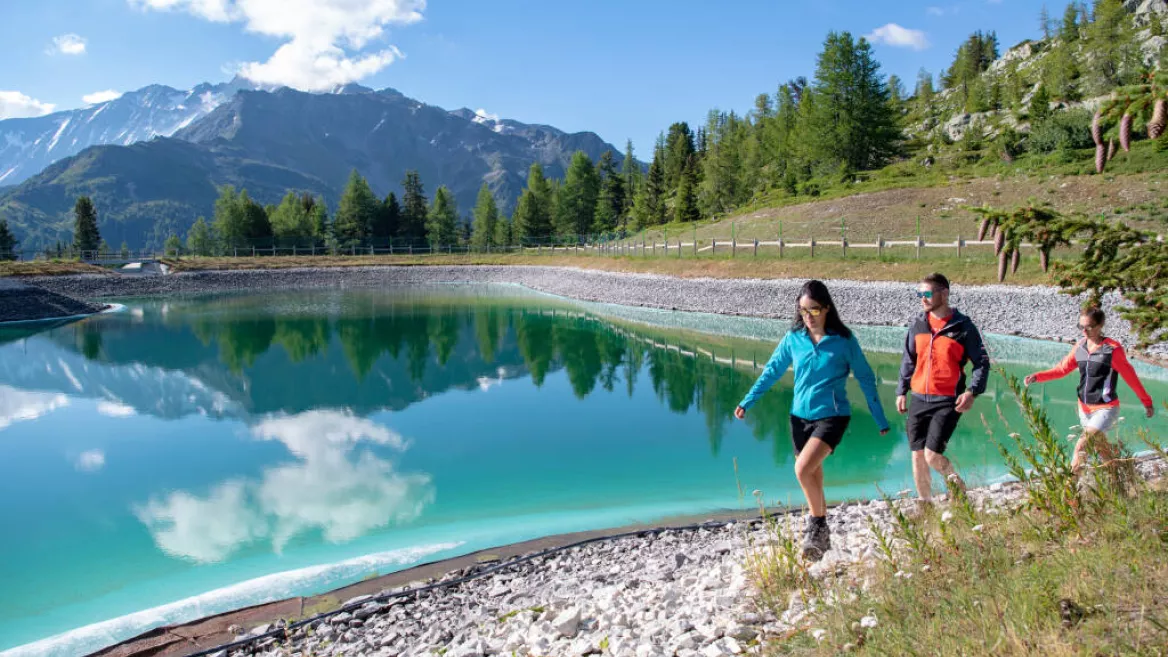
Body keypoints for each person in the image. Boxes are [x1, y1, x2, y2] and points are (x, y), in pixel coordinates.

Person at [734, 280, 890, 561]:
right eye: (803, 310)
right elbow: (772, 370)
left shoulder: (844, 341)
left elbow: (866, 377)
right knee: (813, 474)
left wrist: (879, 418)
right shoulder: (793, 338)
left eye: (814, 310)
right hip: (799, 418)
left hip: (832, 416)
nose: (808, 316)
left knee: (802, 469)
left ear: (827, 308)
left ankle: (816, 525)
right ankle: (821, 537)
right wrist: (748, 401)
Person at [1023, 306, 1155, 476]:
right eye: (1081, 327)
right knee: (1102, 451)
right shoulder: (1080, 347)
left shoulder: (1112, 350)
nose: (1084, 331)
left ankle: (1070, 489)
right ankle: (1121, 478)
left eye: (1089, 327)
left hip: (1106, 408)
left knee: (1081, 446)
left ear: (1100, 326)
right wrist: (1038, 376)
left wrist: (1146, 402)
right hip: (1084, 409)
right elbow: (1062, 369)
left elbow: (1131, 378)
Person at [896, 273, 990, 506]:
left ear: (944, 293)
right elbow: (909, 359)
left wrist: (972, 391)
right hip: (919, 397)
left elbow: (981, 362)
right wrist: (901, 391)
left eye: (927, 293)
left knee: (932, 455)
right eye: (919, 294)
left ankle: (959, 491)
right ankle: (925, 504)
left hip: (948, 400)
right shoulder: (918, 324)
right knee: (918, 454)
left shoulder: (963, 327)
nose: (923, 298)